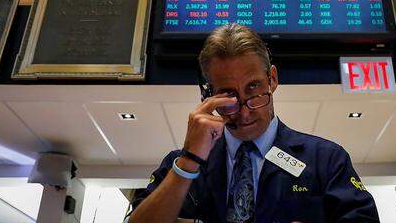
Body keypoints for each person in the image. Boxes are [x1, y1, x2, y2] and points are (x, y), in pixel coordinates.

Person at [129, 23, 379, 222]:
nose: (245, 112)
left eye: (254, 88)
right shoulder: (183, 164)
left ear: (272, 79)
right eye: (228, 95)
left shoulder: (325, 159)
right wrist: (190, 160)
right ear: (208, 94)